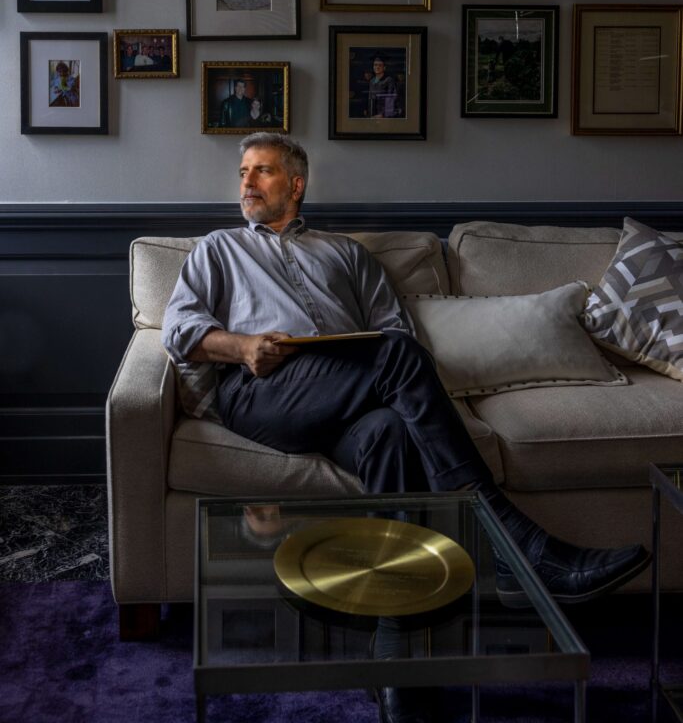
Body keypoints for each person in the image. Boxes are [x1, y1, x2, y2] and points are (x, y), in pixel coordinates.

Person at [161, 133, 650, 723]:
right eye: (243, 171)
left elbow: (396, 333)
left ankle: (395, 643)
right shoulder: (219, 250)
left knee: (392, 430)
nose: (246, 182)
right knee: (397, 363)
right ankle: (516, 544)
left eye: (262, 171)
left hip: (352, 398)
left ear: (295, 184)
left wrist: (373, 359)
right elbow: (180, 330)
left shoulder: (345, 255)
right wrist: (241, 346)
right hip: (266, 390)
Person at [368, 53, 398, 118]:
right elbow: (370, 99)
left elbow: (392, 99)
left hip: (384, 116)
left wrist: (382, 115)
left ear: (384, 67)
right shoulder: (372, 81)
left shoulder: (389, 80)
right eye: (375, 65)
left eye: (380, 65)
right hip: (373, 116)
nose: (377, 67)